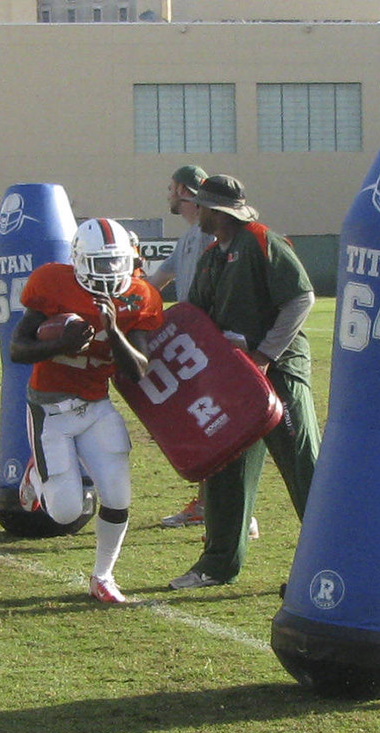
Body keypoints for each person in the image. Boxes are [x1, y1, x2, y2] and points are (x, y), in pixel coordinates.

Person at [168, 175, 319, 590]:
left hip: (279, 371)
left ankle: (335, 558)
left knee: (303, 464)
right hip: (234, 379)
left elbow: (301, 298)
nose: (195, 212)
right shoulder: (213, 255)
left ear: (216, 212)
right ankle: (217, 564)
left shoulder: (262, 241)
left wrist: (265, 355)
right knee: (224, 467)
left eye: (201, 206)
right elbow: (194, 316)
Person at [9, 218, 162, 603]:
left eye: (116, 263)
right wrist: (59, 345)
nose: (110, 273)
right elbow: (18, 349)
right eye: (101, 263)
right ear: (78, 260)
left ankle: (103, 576)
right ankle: (36, 476)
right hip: (52, 409)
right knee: (64, 513)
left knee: (118, 494)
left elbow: (139, 368)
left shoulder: (139, 295)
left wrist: (112, 331)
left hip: (96, 405)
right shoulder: (52, 282)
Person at [146, 163, 219, 532]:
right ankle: (209, 505)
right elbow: (154, 283)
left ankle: (230, 510)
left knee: (221, 429)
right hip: (195, 345)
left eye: (173, 188)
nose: (169, 194)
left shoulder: (210, 234)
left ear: (187, 192)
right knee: (205, 427)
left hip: (214, 346)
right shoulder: (188, 238)